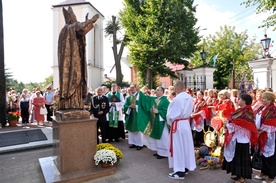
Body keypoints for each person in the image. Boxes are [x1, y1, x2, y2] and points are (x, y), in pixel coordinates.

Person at [58, 6, 99, 109]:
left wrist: (86, 22)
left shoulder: (63, 31)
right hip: (73, 61)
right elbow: (80, 28)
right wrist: (91, 20)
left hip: (69, 62)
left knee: (73, 80)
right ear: (71, 18)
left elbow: (80, 32)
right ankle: (73, 104)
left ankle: (70, 102)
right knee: (75, 77)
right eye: (74, 17)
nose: (76, 19)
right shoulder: (71, 27)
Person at [222, 93, 258, 183]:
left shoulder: (247, 112)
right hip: (237, 138)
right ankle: (238, 175)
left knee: (242, 159)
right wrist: (228, 122)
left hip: (243, 139)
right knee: (236, 157)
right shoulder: (241, 110)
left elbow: (240, 125)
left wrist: (227, 124)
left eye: (240, 99)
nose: (238, 100)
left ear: (244, 101)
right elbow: (234, 121)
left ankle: (242, 178)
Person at [166, 81, 196, 180]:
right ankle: (186, 167)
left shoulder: (177, 99)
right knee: (186, 146)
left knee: (178, 147)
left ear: (178, 88)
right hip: (185, 123)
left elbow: (171, 115)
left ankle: (179, 171)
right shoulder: (189, 97)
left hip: (178, 124)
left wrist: (170, 122)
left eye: (175, 87)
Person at [254, 91, 276, 183]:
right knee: (262, 154)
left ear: (270, 100)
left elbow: (272, 122)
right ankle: (263, 172)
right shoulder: (262, 107)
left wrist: (261, 130)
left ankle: (271, 177)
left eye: (265, 98)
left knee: (270, 156)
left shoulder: (273, 109)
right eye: (262, 98)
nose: (262, 100)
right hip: (261, 133)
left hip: (269, 135)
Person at [143, 86, 170, 159]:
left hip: (162, 123)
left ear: (162, 92)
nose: (156, 91)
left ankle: (164, 153)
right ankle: (159, 152)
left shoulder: (165, 101)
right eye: (156, 90)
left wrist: (159, 111)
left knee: (163, 138)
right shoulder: (155, 99)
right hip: (155, 121)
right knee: (157, 138)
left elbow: (167, 111)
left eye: (158, 90)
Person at [123, 84, 151, 150]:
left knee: (138, 130)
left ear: (136, 88)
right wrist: (129, 107)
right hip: (131, 115)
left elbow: (144, 104)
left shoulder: (140, 96)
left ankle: (140, 144)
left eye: (133, 88)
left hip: (139, 116)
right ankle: (133, 142)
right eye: (130, 88)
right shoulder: (128, 97)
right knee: (131, 129)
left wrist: (136, 107)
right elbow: (125, 106)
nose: (131, 89)